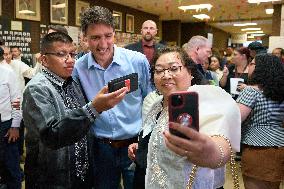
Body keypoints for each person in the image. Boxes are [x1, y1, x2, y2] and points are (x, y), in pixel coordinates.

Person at [22, 32, 128, 189]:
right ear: (44, 60)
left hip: (81, 175)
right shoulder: (37, 89)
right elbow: (51, 134)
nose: (70, 60)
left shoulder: (72, 82)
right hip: (53, 180)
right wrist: (94, 108)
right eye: (61, 54)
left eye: (72, 54)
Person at [73, 6, 152, 189]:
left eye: (108, 36)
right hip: (101, 149)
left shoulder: (137, 61)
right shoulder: (79, 68)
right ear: (85, 38)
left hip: (135, 144)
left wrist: (145, 141)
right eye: (95, 38)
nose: (103, 44)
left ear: (115, 34)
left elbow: (150, 102)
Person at [140, 46, 240, 189]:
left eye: (174, 68)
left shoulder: (205, 99)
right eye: (159, 70)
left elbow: (220, 143)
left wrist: (211, 153)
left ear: (190, 72)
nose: (166, 75)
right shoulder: (156, 105)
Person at [236, 54, 284, 189]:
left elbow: (236, 118)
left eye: (252, 64)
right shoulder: (279, 92)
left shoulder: (251, 91)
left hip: (257, 148)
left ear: (261, 68)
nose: (248, 67)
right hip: (279, 147)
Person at [0, 47, 22, 189]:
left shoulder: (8, 73)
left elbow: (16, 101)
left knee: (11, 167)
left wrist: (15, 126)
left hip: (6, 126)